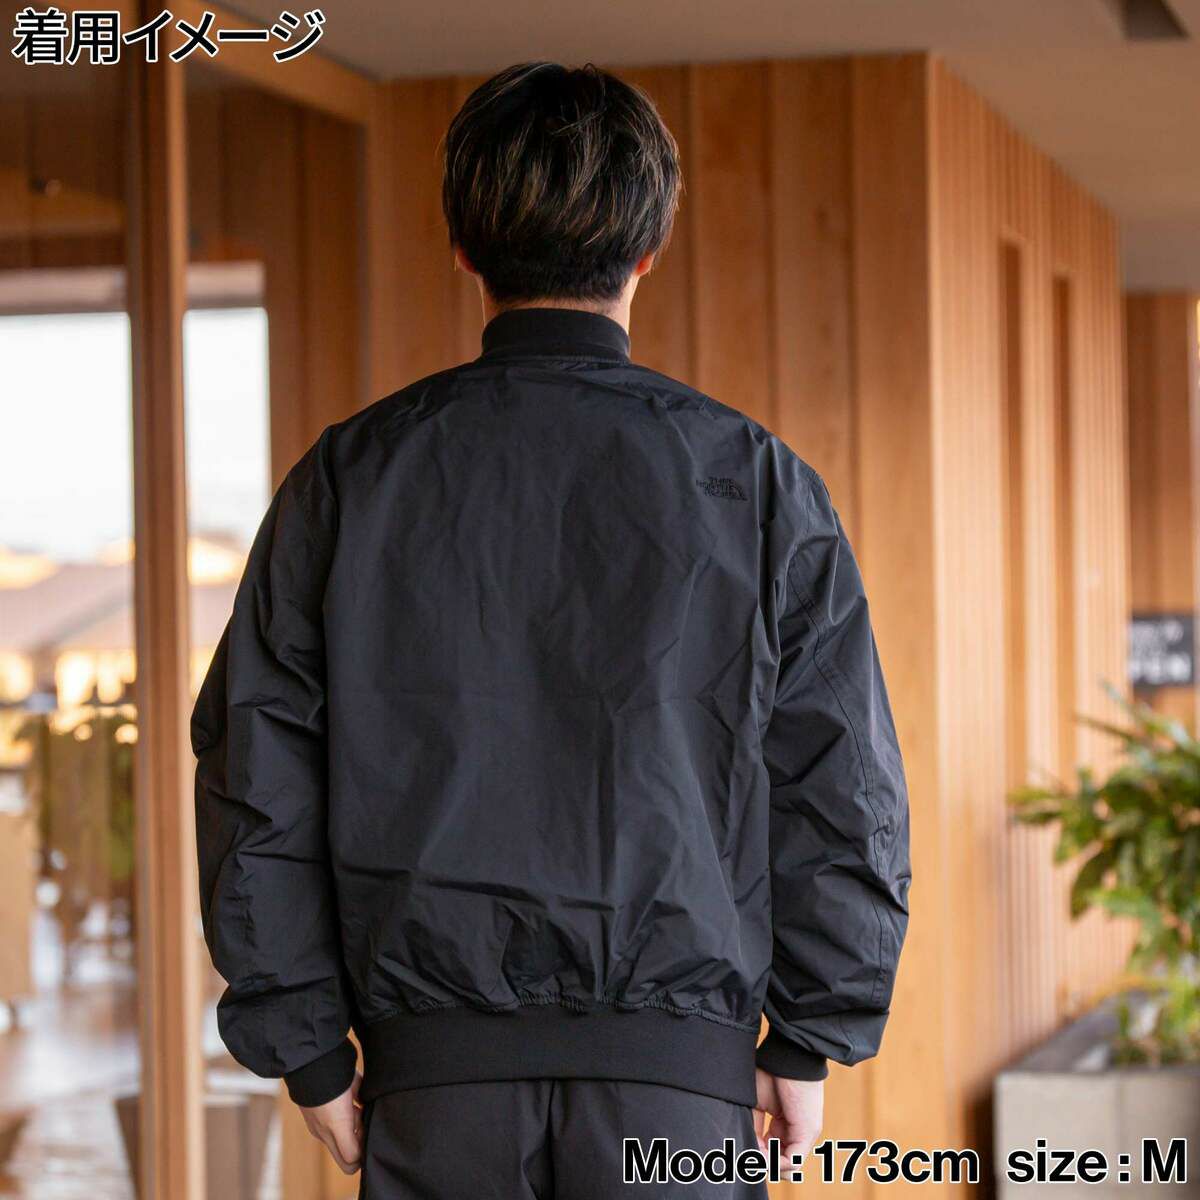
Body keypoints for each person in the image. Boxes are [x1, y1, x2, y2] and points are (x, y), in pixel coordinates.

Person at [193, 61, 910, 1199]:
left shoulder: (350, 479)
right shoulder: (759, 482)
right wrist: (807, 1038)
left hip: (431, 1095)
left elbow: (255, 768)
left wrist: (311, 1048)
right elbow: (844, 782)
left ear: (463, 248)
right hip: (679, 1093)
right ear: (649, 250)